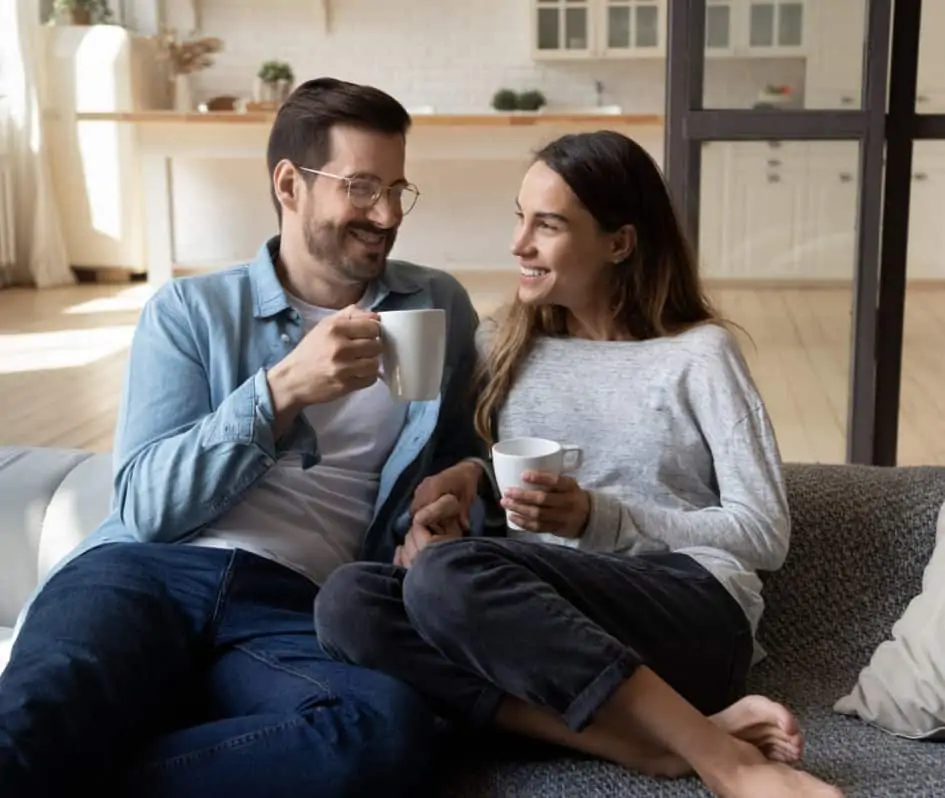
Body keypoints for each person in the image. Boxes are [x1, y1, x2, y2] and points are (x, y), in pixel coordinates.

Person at [314, 130, 845, 798]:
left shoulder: (698, 356)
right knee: (349, 601)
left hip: (687, 613)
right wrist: (462, 495)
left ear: (618, 243)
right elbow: (499, 519)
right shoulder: (503, 344)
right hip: (550, 640)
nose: (518, 244)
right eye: (518, 217)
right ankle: (642, 744)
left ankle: (725, 760)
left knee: (447, 578)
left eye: (548, 225)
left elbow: (765, 534)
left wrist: (602, 516)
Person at [0, 77, 484, 798]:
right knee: (34, 718)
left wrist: (455, 497)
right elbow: (146, 507)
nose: (385, 214)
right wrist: (281, 390)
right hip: (143, 573)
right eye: (360, 187)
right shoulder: (191, 310)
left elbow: (456, 456)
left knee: (378, 731)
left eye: (396, 190)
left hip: (294, 603)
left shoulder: (434, 303)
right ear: (289, 185)